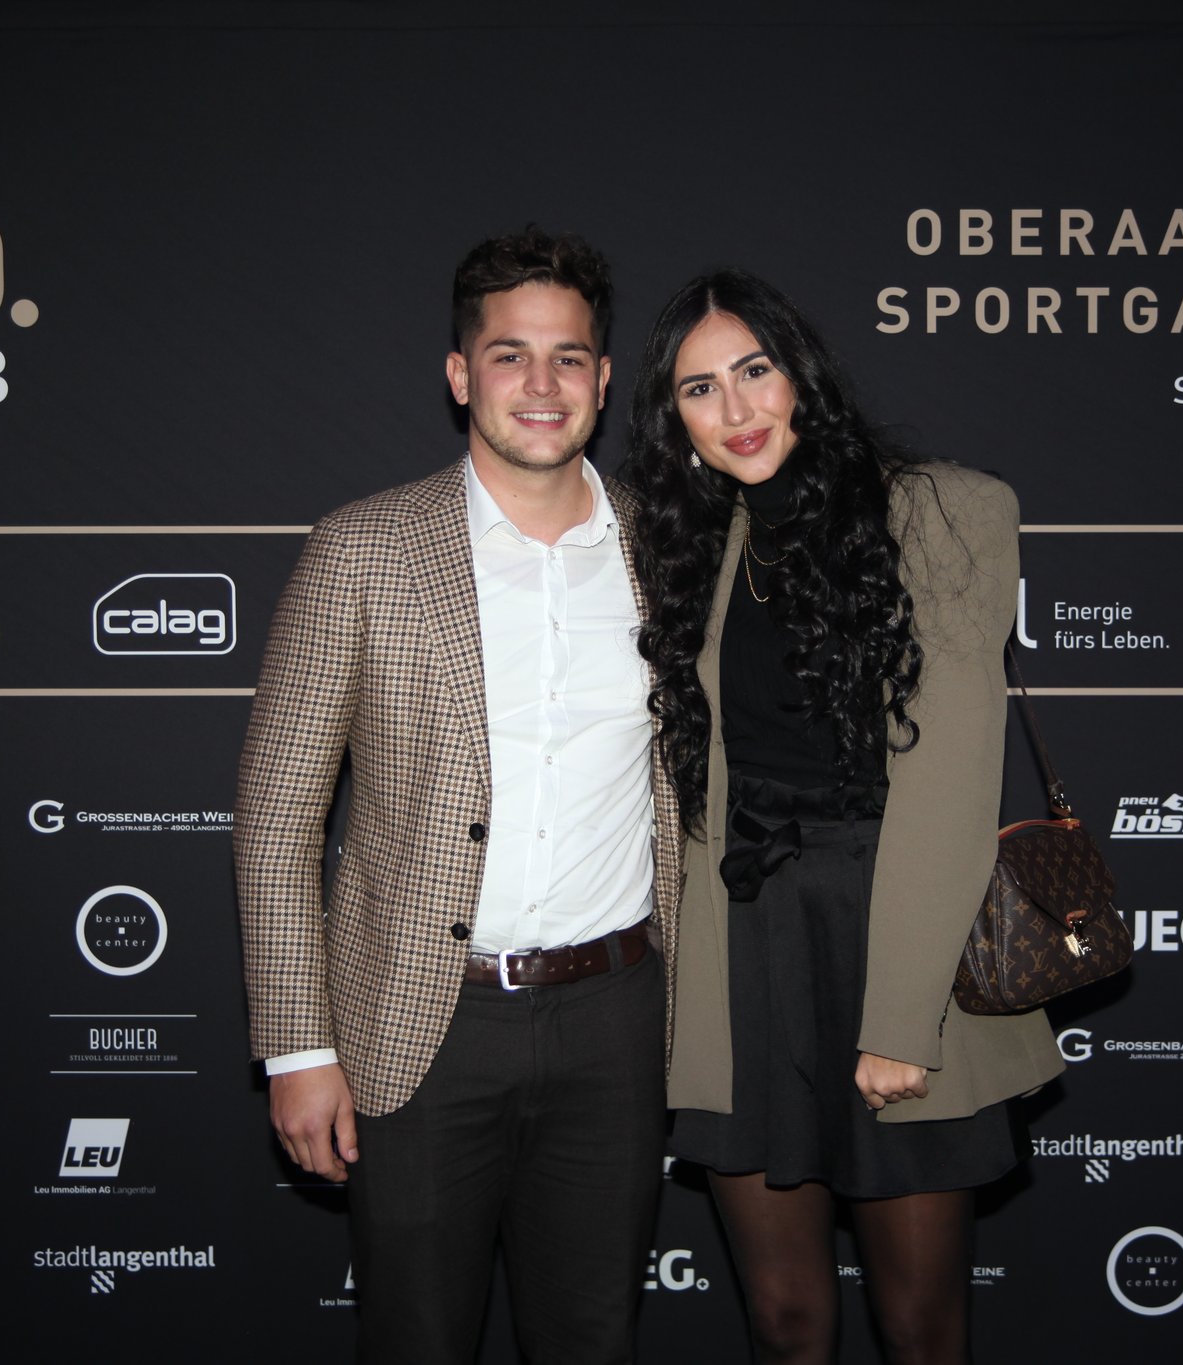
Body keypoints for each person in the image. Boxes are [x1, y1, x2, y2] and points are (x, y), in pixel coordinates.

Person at [233, 227, 683, 1365]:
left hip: (618, 1020)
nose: (541, 384)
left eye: (568, 357)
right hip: (419, 1024)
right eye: (508, 354)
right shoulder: (362, 549)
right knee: (417, 1340)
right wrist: (296, 1047)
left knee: (593, 1340)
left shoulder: (669, 554)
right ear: (459, 374)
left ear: (602, 379)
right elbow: (278, 820)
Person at [621, 269, 1063, 1364]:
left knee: (918, 1327)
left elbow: (954, 777)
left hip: (893, 937)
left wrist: (901, 1020)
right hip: (743, 954)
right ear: (674, 420)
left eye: (755, 371)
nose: (735, 409)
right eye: (699, 389)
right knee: (783, 1323)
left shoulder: (942, 510)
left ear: (802, 376)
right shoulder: (691, 545)